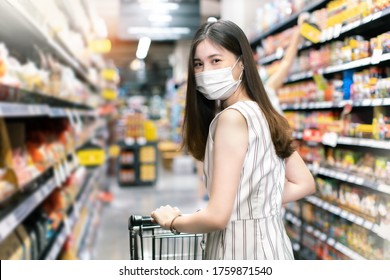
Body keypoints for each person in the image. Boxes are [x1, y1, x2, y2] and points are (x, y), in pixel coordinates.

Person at [151, 19, 315, 260]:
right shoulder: (265, 113)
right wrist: (249, 203)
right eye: (198, 64)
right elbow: (304, 183)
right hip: (274, 249)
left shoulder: (230, 119)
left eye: (216, 60)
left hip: (239, 253)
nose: (206, 72)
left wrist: (173, 221)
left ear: (241, 63)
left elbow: (217, 217)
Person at [258, 12, 310, 114]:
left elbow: (286, 62)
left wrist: (297, 32)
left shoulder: (266, 90)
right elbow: (286, 63)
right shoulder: (265, 92)